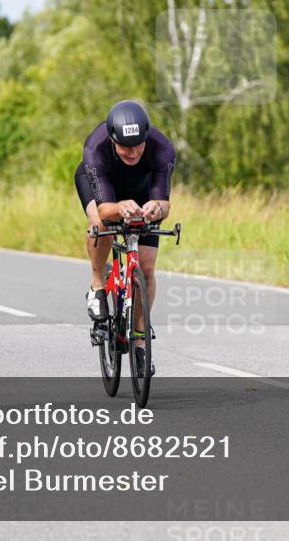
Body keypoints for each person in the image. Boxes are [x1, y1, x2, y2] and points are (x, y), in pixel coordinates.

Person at [74, 100, 175, 376]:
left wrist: (157, 209)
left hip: (142, 193)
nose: (133, 152)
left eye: (138, 146)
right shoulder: (96, 147)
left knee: (147, 267)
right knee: (101, 222)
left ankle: (140, 341)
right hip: (104, 188)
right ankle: (97, 284)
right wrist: (119, 208)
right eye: (125, 147)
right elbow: (106, 208)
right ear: (112, 139)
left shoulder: (162, 148)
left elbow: (165, 203)